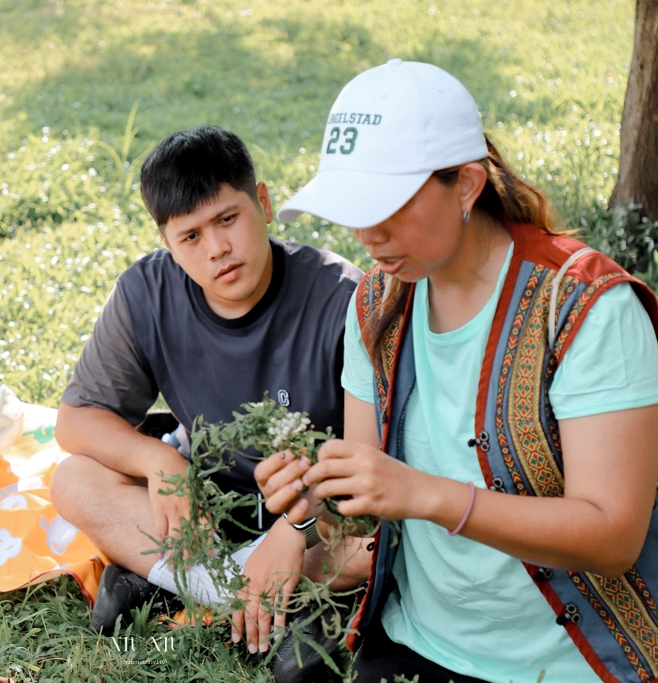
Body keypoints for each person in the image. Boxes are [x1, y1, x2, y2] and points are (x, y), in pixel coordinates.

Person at [255, 59, 658, 683]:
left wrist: (429, 495)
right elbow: (363, 503)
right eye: (354, 210)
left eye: (388, 206)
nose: (368, 234)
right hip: (417, 637)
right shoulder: (376, 304)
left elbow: (612, 536)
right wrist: (308, 504)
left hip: (571, 658)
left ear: (467, 185)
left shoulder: (585, 308)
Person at [51, 125, 371, 681]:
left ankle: (178, 585)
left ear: (264, 204)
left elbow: (376, 465)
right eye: (190, 237)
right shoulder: (144, 294)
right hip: (204, 509)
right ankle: (261, 596)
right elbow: (76, 421)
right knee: (73, 481)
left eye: (228, 219)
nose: (217, 249)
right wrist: (160, 461)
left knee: (376, 546)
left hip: (320, 517)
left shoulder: (342, 298)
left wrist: (294, 531)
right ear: (168, 244)